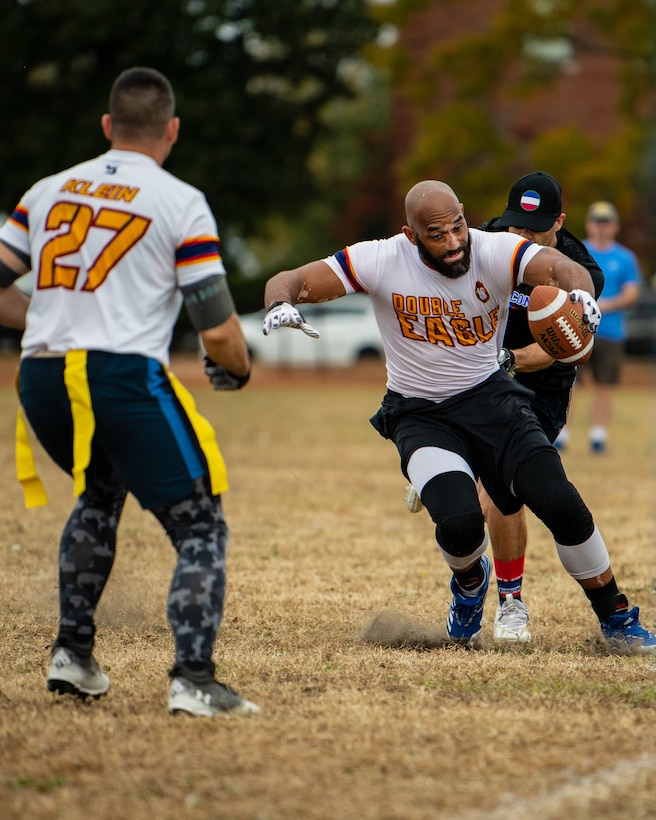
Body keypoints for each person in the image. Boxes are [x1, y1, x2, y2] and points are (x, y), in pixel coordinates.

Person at [260, 179, 656, 653]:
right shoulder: (382, 258)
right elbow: (296, 279)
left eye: (457, 228)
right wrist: (281, 302)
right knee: (461, 523)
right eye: (436, 235)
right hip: (420, 413)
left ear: (466, 217)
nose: (452, 244)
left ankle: (616, 617)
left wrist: (580, 296)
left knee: (560, 500)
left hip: (492, 399)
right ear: (411, 236)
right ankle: (470, 583)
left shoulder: (494, 249)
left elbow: (560, 266)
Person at [0, 67, 259, 717]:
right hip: (117, 375)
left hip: (42, 375)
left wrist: (50, 320)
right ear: (172, 130)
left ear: (107, 127)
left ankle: (73, 653)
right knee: (200, 525)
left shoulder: (46, 190)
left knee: (100, 492)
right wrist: (237, 369)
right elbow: (219, 327)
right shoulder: (179, 200)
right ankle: (194, 680)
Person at [409, 172, 604, 642]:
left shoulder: (580, 270)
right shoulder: (487, 239)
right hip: (479, 380)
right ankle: (444, 467)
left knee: (504, 490)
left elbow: (570, 347)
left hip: (541, 388)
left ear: (559, 222)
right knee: (466, 485)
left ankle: (511, 602)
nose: (521, 238)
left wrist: (507, 359)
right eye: (515, 225)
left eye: (534, 230)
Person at [559, 201, 641, 454]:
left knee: (604, 385)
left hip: (611, 332)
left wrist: (602, 305)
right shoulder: (577, 252)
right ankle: (561, 433)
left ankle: (598, 436)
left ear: (614, 227)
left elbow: (632, 293)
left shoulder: (625, 258)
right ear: (589, 224)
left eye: (606, 223)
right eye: (597, 222)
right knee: (568, 383)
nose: (601, 228)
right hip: (577, 329)